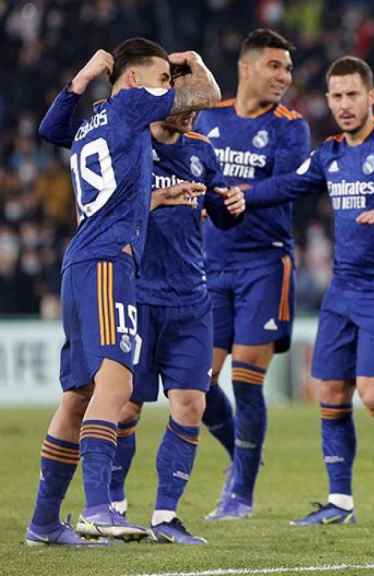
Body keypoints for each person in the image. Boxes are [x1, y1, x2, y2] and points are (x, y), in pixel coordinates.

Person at [25, 39, 220, 546]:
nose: (167, 87)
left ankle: (44, 523)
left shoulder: (96, 118)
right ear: (133, 81)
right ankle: (97, 510)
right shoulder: (134, 104)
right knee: (116, 384)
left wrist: (82, 77)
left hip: (80, 263)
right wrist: (188, 62)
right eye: (159, 77)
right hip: (110, 263)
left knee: (78, 396)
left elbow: (50, 129)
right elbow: (207, 92)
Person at [239, 56, 374, 524]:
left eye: (353, 95)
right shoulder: (329, 152)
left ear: (371, 97)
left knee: (373, 394)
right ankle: (340, 503)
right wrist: (245, 195)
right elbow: (290, 184)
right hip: (343, 287)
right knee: (329, 389)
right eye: (337, 96)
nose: (345, 105)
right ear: (327, 100)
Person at [194, 28, 310, 521]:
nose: (284, 76)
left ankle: (240, 491)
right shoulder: (210, 117)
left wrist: (247, 194)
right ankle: (244, 455)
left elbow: (292, 182)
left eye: (287, 68)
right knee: (197, 383)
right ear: (246, 68)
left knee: (246, 378)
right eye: (275, 66)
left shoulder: (291, 126)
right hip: (210, 264)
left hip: (265, 262)